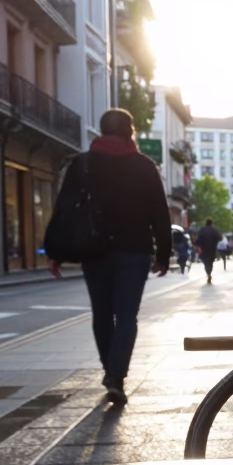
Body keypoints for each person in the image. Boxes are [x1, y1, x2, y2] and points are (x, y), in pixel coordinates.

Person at [47, 108, 170, 405]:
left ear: (102, 131)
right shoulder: (144, 166)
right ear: (130, 131)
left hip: (94, 250)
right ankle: (116, 376)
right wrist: (163, 254)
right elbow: (159, 213)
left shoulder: (83, 164)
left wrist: (56, 252)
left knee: (101, 314)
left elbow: (64, 209)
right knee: (127, 316)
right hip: (135, 250)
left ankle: (110, 370)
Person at [196, 219, 222, 284]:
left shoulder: (202, 230)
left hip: (204, 249)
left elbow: (198, 239)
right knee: (211, 262)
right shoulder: (214, 230)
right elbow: (220, 238)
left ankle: (208, 273)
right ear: (211, 223)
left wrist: (197, 244)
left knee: (205, 262)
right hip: (212, 249)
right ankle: (209, 273)